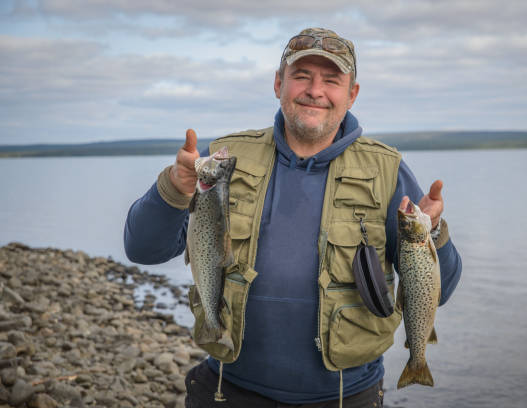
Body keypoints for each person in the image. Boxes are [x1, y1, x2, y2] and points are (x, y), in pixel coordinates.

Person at [124, 27, 461, 408]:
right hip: (226, 390)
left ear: (352, 95)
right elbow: (142, 249)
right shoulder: (223, 159)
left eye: (331, 80)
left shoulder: (387, 170)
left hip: (345, 397)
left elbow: (439, 291)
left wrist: (432, 233)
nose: (315, 90)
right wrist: (174, 186)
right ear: (278, 83)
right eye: (301, 76)